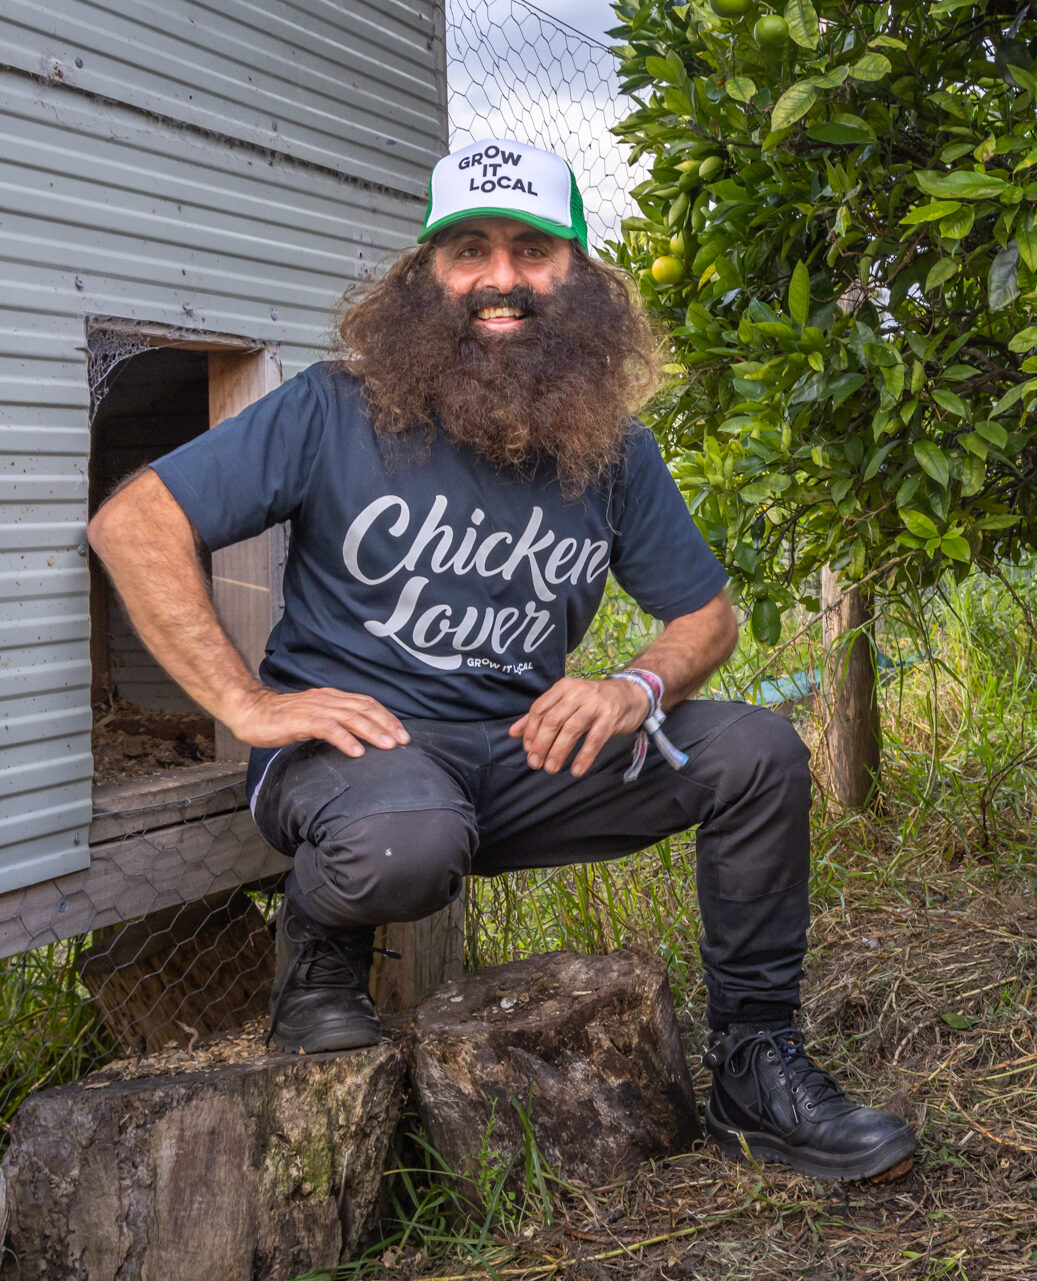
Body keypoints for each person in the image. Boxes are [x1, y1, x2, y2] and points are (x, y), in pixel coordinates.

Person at [88, 137, 918, 1183]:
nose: (500, 280)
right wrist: (247, 703)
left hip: (523, 757)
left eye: (534, 250)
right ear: (423, 279)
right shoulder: (334, 409)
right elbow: (135, 523)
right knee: (405, 842)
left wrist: (636, 683)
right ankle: (317, 960)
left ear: (581, 279)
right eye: (467, 250)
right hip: (362, 756)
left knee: (756, 748)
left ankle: (758, 1066)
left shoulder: (612, 450)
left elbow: (706, 617)